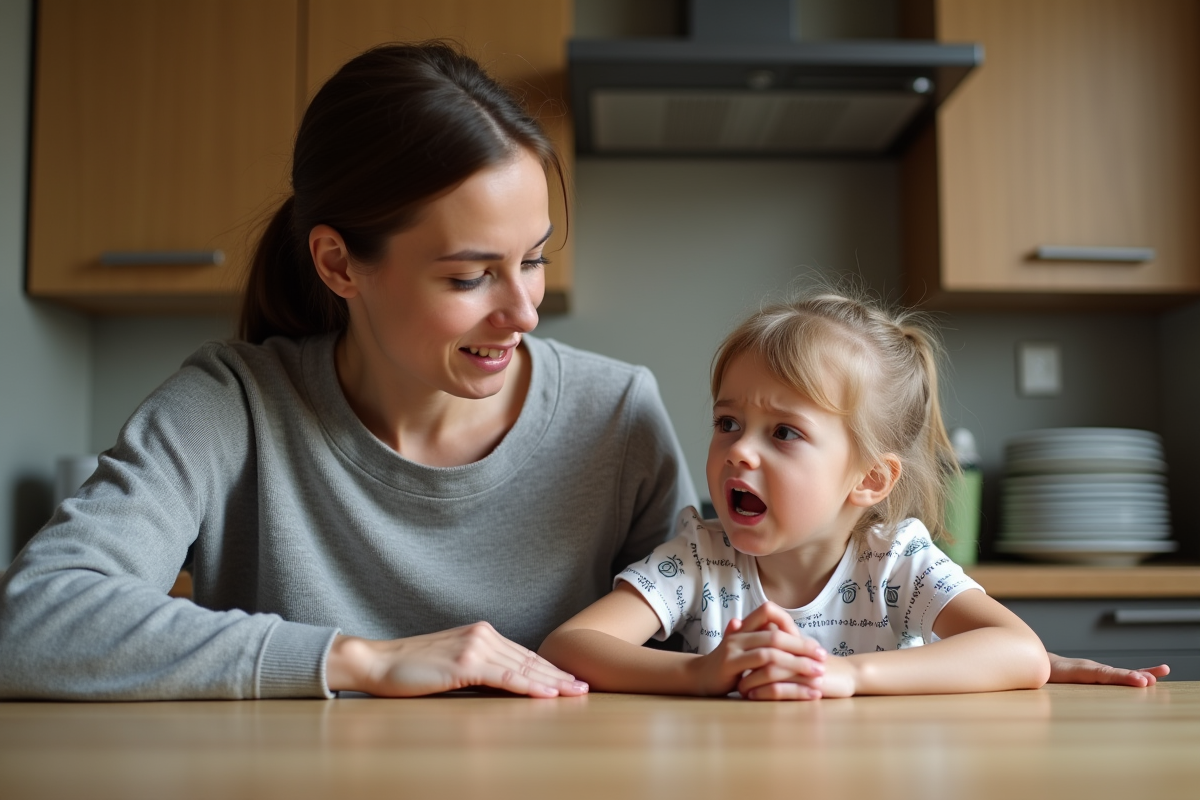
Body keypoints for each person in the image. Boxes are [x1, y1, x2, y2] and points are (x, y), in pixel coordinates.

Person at [0, 43, 1165, 701]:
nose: (526, 309)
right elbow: (35, 624)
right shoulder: (233, 403)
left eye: (537, 260)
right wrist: (364, 656)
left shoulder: (612, 411)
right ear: (338, 262)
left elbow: (709, 636)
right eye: (471, 274)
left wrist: (964, 656)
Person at [540, 290, 1167, 698]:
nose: (738, 450)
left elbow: (1019, 650)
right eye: (727, 422)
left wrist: (845, 674)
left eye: (784, 432)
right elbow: (570, 646)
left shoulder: (897, 561)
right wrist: (700, 672)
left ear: (870, 479)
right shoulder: (701, 559)